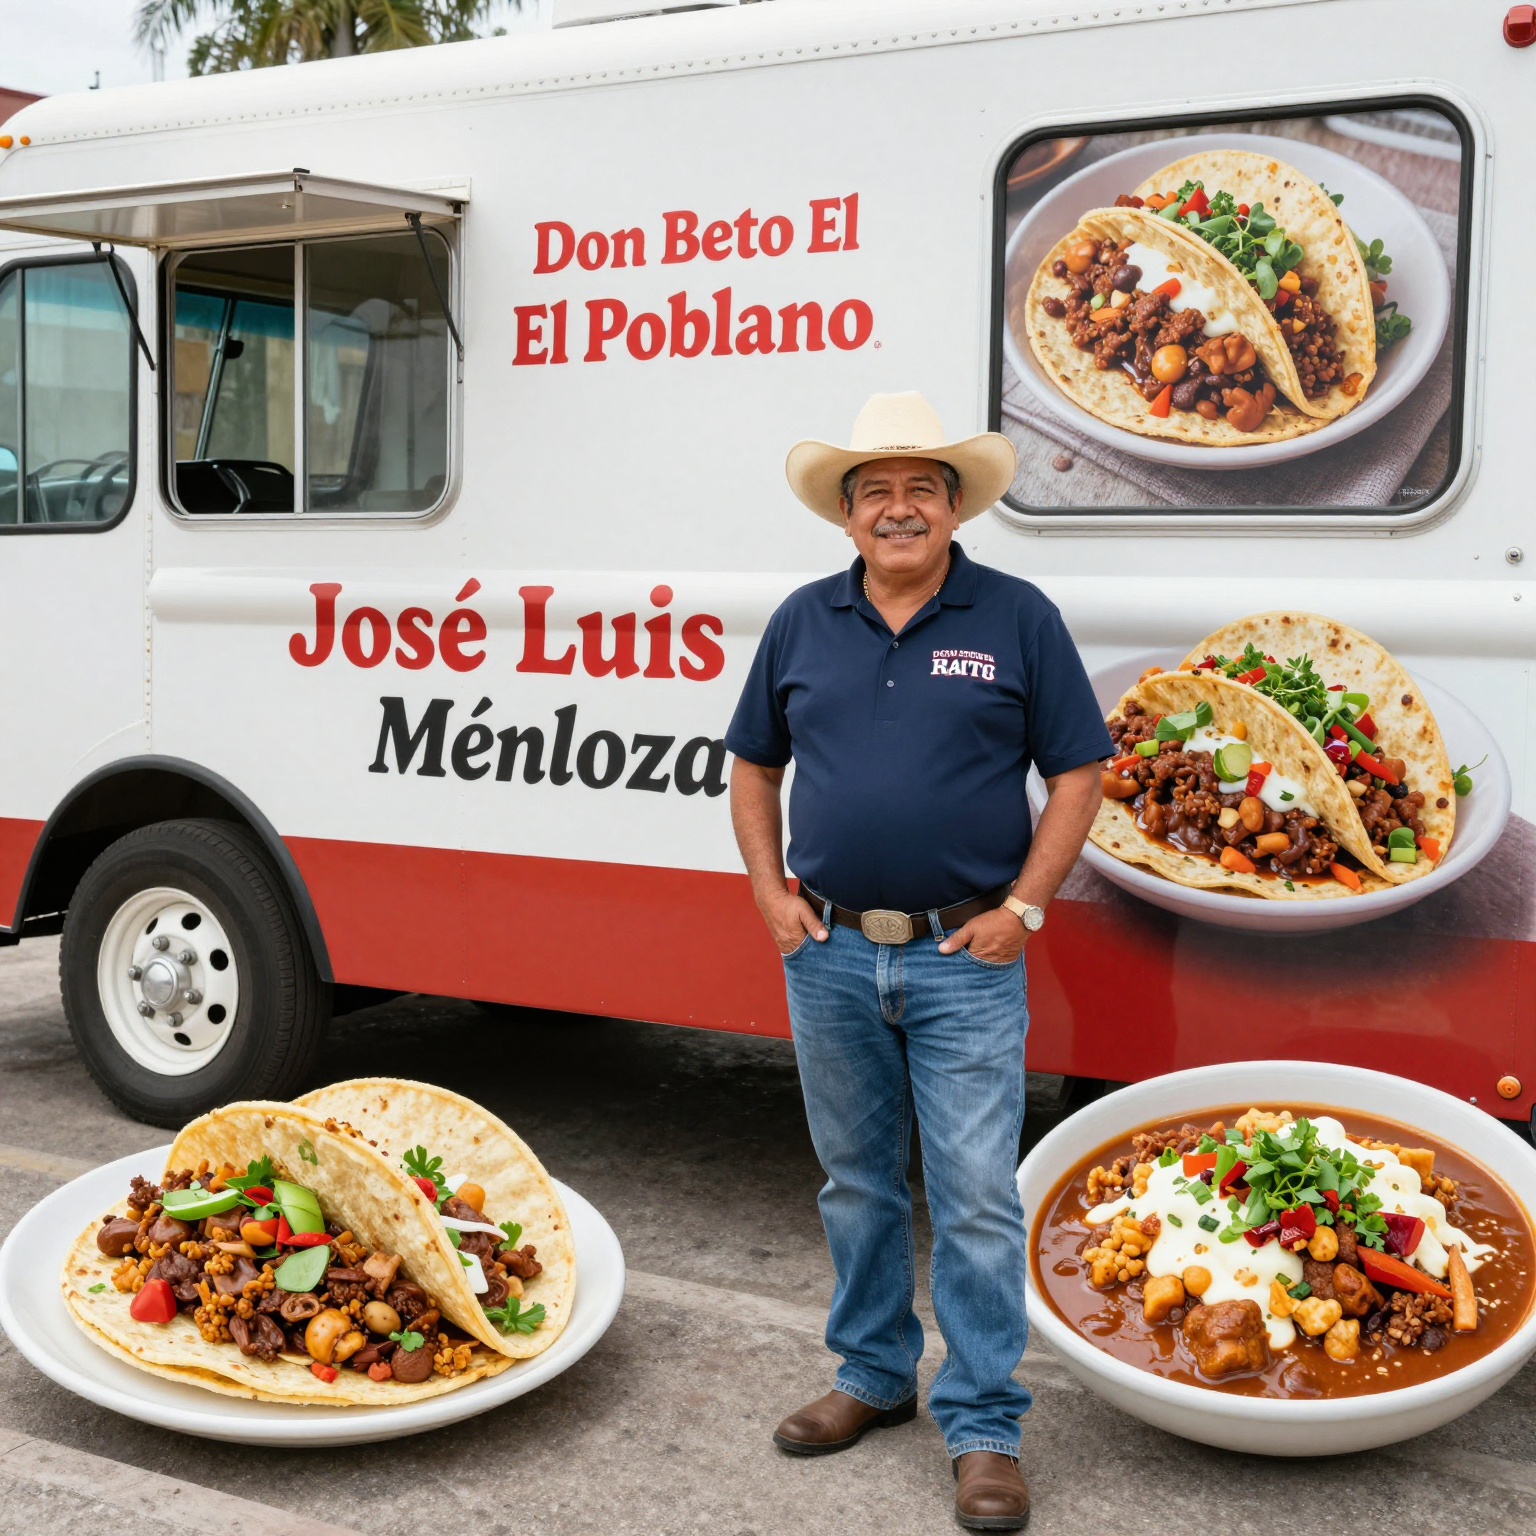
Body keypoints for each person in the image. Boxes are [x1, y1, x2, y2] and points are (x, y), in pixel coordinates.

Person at [724, 392, 1110, 1531]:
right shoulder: (802, 620)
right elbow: (754, 765)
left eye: (921, 489)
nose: (900, 509)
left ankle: (985, 1428)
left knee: (981, 1197)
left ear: (954, 507)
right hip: (831, 950)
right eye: (876, 491)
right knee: (855, 1182)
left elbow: (1079, 772)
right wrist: (769, 894)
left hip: (966, 956)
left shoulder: (1017, 615)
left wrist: (1026, 910)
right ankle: (873, 1376)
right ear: (847, 516)